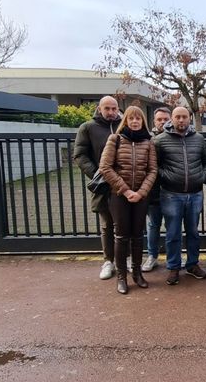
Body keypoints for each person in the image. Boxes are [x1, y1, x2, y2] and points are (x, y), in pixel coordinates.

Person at [99, 106, 157, 294]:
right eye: (131, 118)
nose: (134, 121)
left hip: (141, 195)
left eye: (138, 119)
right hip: (119, 196)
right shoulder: (115, 139)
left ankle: (137, 273)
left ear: (142, 121)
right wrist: (125, 190)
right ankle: (122, 277)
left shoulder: (148, 142)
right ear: (126, 121)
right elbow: (105, 167)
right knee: (121, 236)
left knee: (138, 236)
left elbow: (152, 170)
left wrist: (141, 192)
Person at [154, 107, 206, 285]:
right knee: (173, 233)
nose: (181, 120)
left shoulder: (199, 139)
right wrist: (166, 176)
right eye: (177, 117)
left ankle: (192, 264)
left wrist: (203, 176)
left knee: (193, 232)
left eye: (184, 117)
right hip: (171, 194)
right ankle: (173, 267)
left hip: (194, 194)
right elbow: (154, 165)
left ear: (190, 118)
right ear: (172, 118)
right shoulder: (160, 140)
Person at [73, 96, 122, 280]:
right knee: (107, 225)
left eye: (114, 108)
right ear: (99, 108)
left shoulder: (124, 124)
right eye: (107, 108)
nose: (111, 112)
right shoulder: (88, 127)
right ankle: (108, 261)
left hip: (125, 185)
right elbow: (79, 155)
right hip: (103, 185)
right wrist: (98, 175)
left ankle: (125, 260)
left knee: (127, 225)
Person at [142, 107, 171, 272]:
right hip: (153, 191)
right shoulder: (147, 139)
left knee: (172, 226)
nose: (162, 122)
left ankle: (172, 256)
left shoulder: (175, 137)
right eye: (159, 119)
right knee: (153, 225)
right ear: (154, 121)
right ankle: (152, 255)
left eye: (166, 119)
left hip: (172, 190)